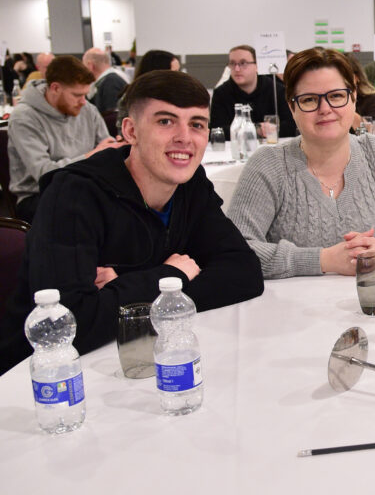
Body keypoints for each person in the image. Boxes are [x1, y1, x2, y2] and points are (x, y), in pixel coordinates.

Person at [0, 70, 265, 375]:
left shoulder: (190, 185)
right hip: (41, 377)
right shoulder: (73, 195)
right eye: (165, 121)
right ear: (130, 131)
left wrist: (131, 288)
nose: (184, 137)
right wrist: (170, 273)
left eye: (196, 124)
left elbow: (245, 273)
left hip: (136, 357)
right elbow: (70, 324)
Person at [227, 47, 375, 279]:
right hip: (290, 311)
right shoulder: (269, 165)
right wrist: (323, 260)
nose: (325, 109)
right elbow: (234, 250)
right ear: (292, 107)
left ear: (353, 98)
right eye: (309, 100)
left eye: (336, 96)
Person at [7, 55, 124, 223]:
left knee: (129, 204)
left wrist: (117, 148)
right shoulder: (24, 117)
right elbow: (44, 174)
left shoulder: (87, 110)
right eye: (77, 95)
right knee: (96, 213)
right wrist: (92, 155)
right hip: (39, 196)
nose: (83, 102)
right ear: (55, 88)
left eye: (85, 94)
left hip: (85, 187)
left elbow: (105, 147)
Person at [210, 44, 296, 139]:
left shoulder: (277, 90)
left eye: (243, 63)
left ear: (257, 65)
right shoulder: (221, 93)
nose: (237, 69)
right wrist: (256, 129)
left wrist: (274, 129)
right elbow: (217, 130)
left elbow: (292, 125)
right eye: (232, 63)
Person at [83, 47, 129, 114]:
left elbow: (112, 117)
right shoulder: (114, 78)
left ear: (90, 66)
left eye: (84, 66)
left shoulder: (110, 83)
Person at [345, 53, 375, 122]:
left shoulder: (372, 99)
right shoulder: (328, 100)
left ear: (356, 78)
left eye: (345, 77)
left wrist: (346, 110)